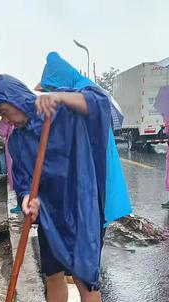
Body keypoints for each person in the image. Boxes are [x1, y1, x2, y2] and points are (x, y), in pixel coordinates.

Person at [0, 74, 112, 302]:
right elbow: (25, 181)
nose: (6, 119)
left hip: (80, 204)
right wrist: (28, 198)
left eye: (5, 111)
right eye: (0, 115)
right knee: (52, 272)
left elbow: (100, 103)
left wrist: (61, 97)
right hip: (51, 212)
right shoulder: (17, 140)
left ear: (16, 99)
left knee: (83, 274)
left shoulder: (58, 110)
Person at [40, 51, 132, 225]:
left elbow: (96, 102)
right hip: (82, 169)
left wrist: (60, 96)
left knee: (93, 221)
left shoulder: (88, 89)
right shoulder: (75, 88)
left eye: (53, 87)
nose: (53, 92)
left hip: (94, 165)